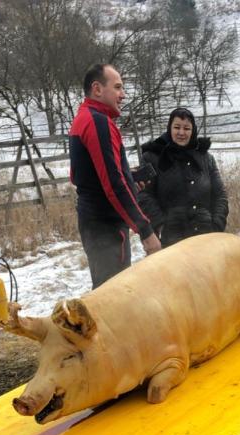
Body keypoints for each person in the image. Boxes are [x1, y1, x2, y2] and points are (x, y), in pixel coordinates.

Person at [69, 63, 161, 288]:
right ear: (97, 89)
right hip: (105, 227)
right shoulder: (97, 122)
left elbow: (81, 176)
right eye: (118, 87)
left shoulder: (86, 117)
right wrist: (145, 230)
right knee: (113, 295)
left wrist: (131, 181)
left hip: (96, 224)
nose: (123, 95)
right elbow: (112, 183)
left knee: (106, 292)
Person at [137, 108, 228, 247]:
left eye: (186, 128)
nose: (181, 132)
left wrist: (217, 224)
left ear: (193, 131)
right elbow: (144, 195)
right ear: (169, 128)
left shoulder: (206, 158)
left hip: (206, 235)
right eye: (177, 127)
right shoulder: (152, 157)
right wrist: (161, 226)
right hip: (171, 237)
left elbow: (220, 194)